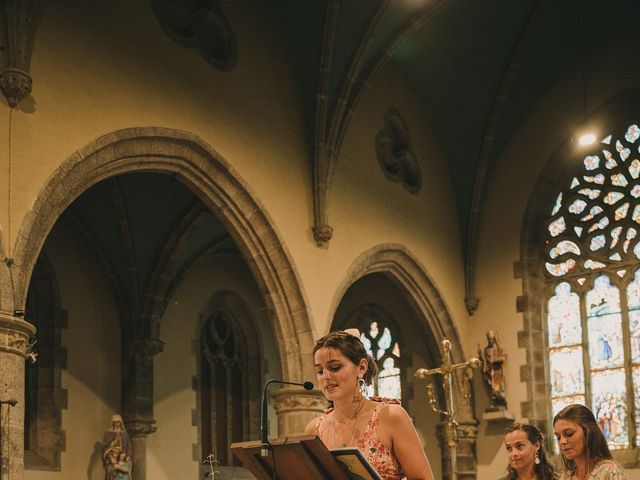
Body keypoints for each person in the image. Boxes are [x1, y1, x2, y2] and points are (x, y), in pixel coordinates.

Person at [305, 330, 434, 480]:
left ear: (361, 367)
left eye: (335, 368)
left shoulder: (391, 416)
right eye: (320, 371)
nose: (326, 377)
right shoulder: (314, 429)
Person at [553, 404, 627, 479]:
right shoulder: (565, 477)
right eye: (558, 437)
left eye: (569, 433)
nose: (562, 441)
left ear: (588, 432)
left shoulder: (610, 471)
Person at [101, 414, 132, 480]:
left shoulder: (125, 434)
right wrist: (110, 457)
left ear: (121, 423)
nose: (116, 424)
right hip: (112, 459)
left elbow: (128, 446)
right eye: (115, 422)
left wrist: (128, 456)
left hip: (122, 459)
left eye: (118, 422)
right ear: (112, 423)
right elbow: (105, 448)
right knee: (112, 475)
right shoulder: (108, 434)